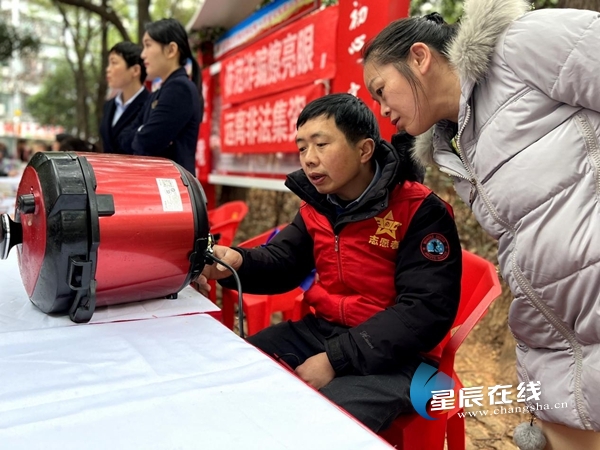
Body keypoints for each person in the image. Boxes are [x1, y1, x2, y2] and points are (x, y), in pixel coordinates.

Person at [362, 0, 600, 447]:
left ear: (419, 57)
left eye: (381, 90)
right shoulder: (454, 144)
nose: (382, 110)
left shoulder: (524, 43)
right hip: (559, 345)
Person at [199, 93, 462, 432]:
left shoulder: (420, 211)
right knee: (233, 376)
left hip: (399, 355)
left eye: (321, 144)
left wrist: (336, 360)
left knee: (319, 424)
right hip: (323, 332)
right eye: (302, 148)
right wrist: (237, 262)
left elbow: (424, 311)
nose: (309, 159)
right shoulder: (319, 206)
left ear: (364, 150)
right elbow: (284, 262)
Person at [119, 18, 203, 175]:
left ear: (171, 50)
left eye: (148, 45)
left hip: (173, 186)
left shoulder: (180, 89)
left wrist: (141, 131)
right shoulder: (158, 93)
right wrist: (143, 131)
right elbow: (123, 139)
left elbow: (146, 143)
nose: (142, 55)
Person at [100, 41, 149, 154]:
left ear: (135, 70)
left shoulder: (150, 104)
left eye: (114, 63)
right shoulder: (109, 105)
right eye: (109, 64)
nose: (108, 69)